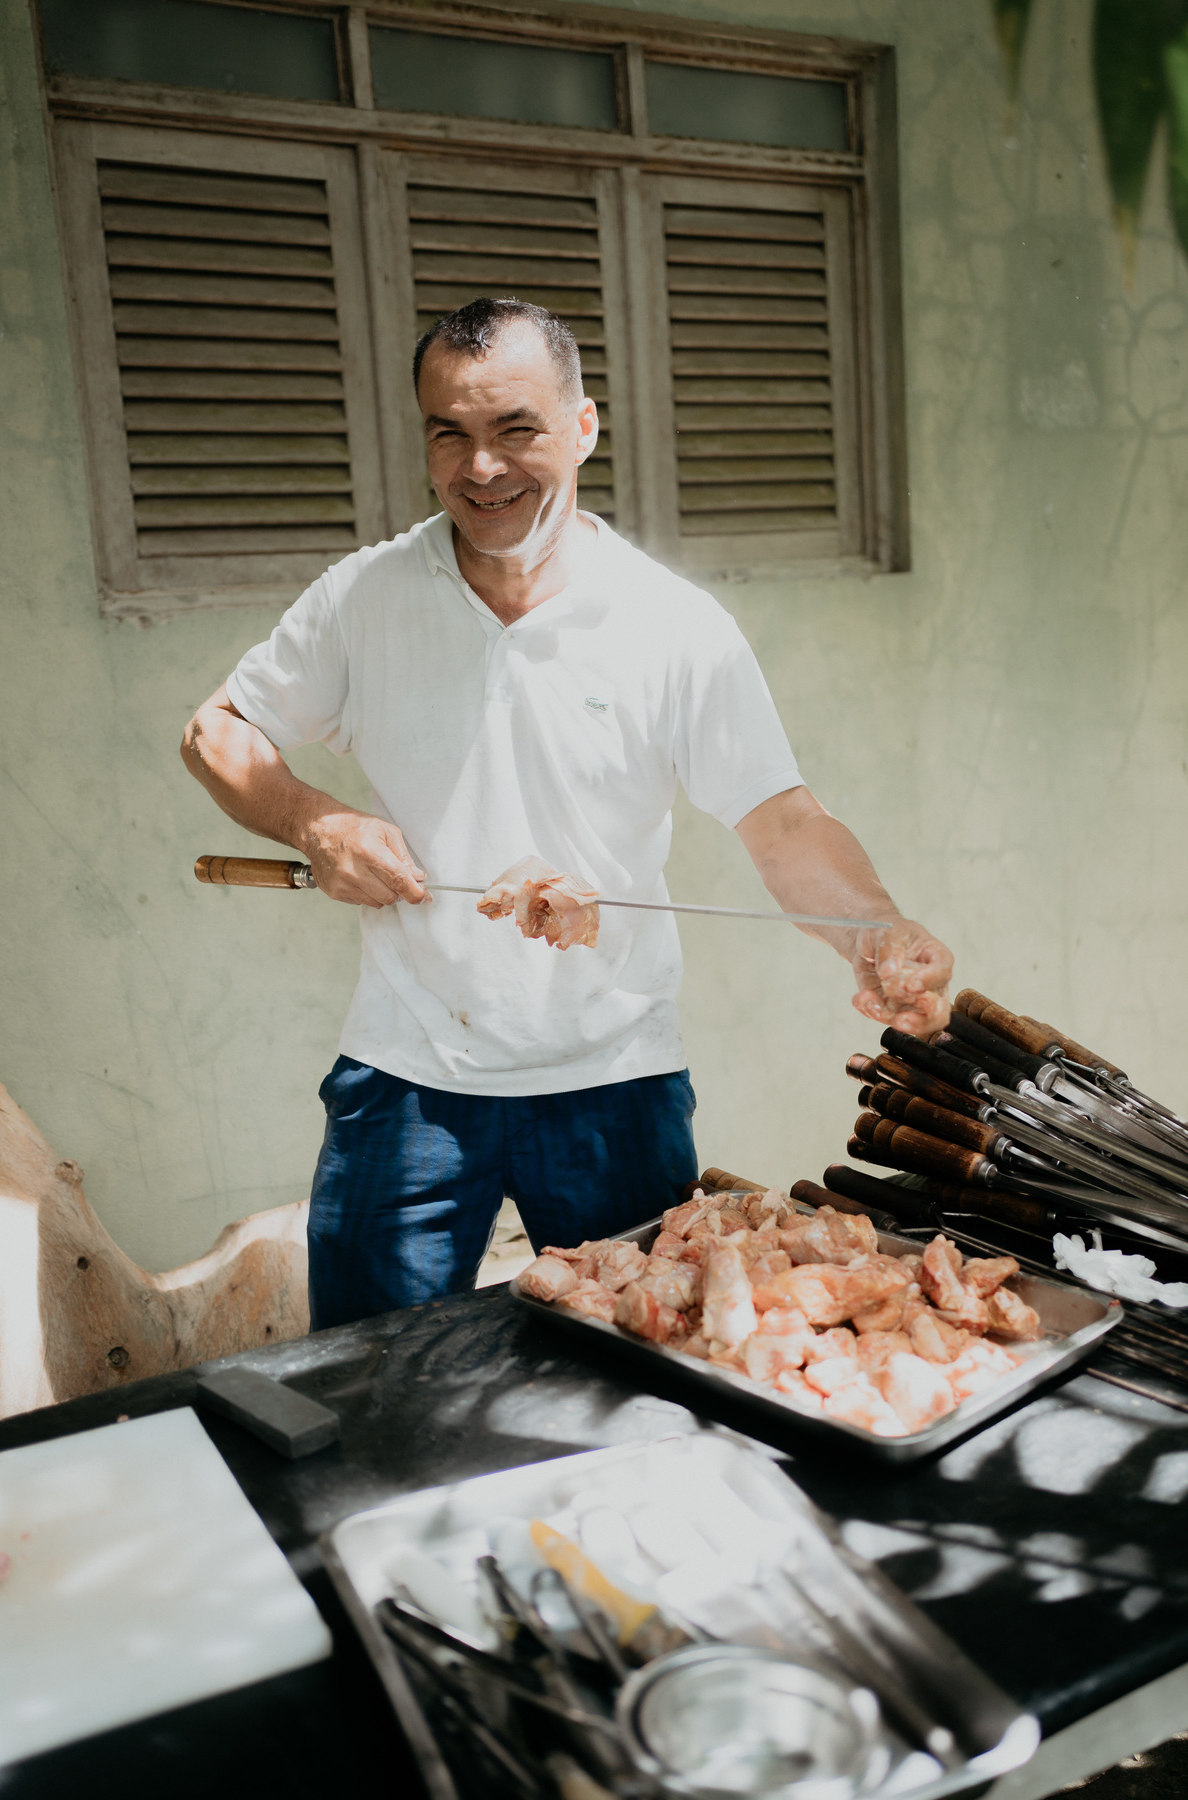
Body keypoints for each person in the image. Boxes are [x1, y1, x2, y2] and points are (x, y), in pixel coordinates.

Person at [182, 297, 953, 1329]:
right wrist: (315, 823)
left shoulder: (671, 624)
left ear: (583, 426)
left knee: (637, 1385)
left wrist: (873, 927)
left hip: (615, 1079)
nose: (481, 468)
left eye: (515, 430)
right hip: (409, 1075)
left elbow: (782, 822)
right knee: (368, 1376)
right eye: (449, 433)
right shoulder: (364, 599)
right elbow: (218, 730)